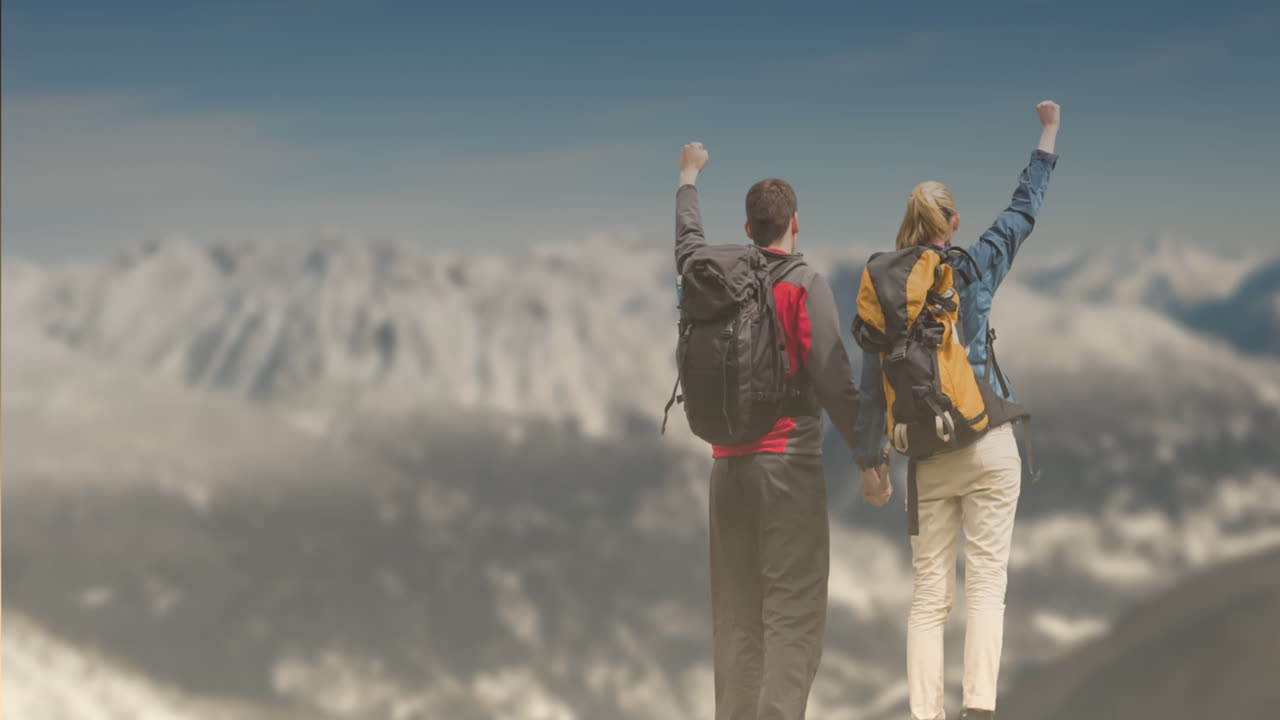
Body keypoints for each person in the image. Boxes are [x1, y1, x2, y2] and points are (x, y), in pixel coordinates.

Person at [850, 101, 1061, 720]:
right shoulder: (972, 267)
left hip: (927, 454)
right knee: (987, 586)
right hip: (989, 442)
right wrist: (1047, 135)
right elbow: (1023, 213)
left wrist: (871, 462)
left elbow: (872, 384)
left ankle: (925, 715)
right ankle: (979, 710)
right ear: (952, 221)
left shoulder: (884, 293)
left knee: (928, 598)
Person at [675, 142, 864, 720]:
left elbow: (685, 243)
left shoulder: (710, 277)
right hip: (787, 466)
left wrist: (688, 177)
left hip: (725, 471)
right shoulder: (801, 284)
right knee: (792, 615)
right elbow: (832, 375)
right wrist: (871, 456)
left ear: (748, 228)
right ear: (794, 223)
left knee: (737, 619)